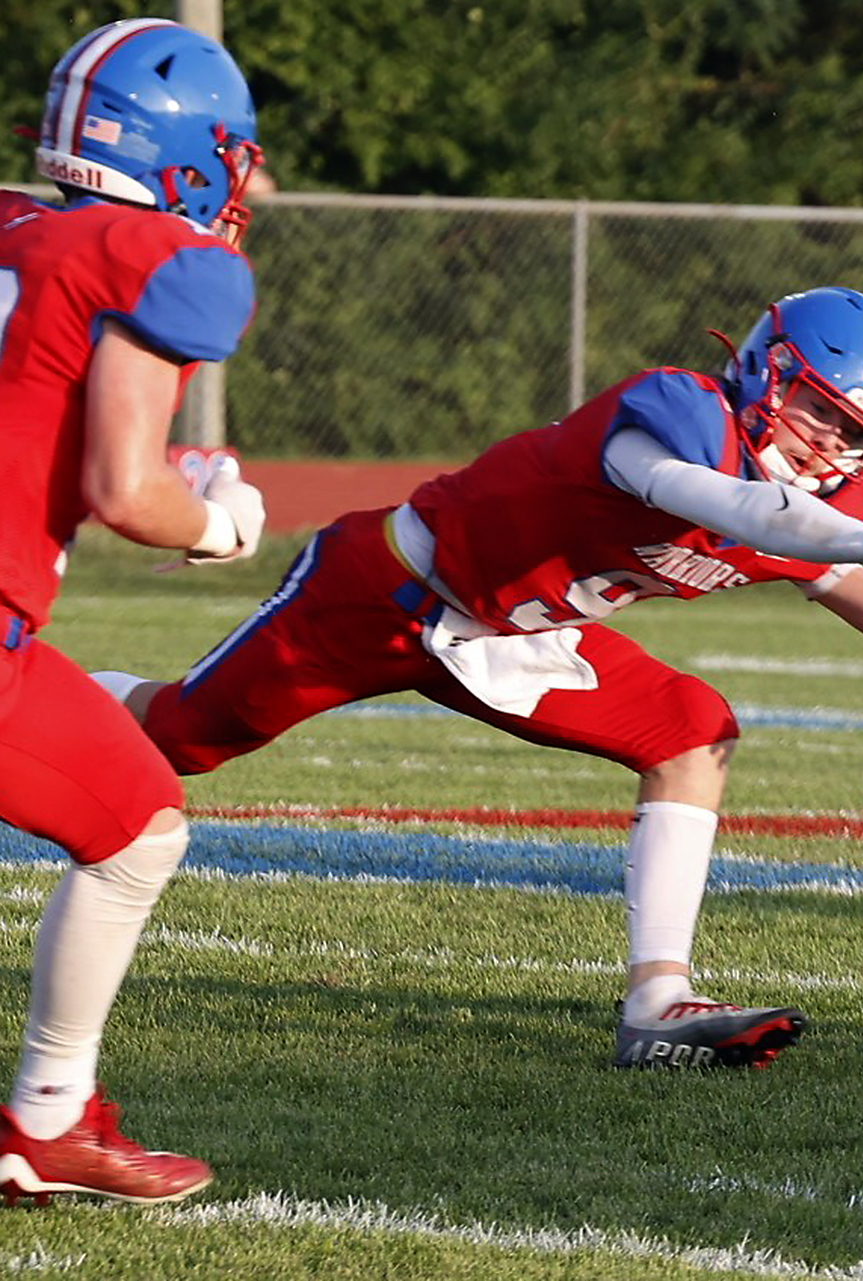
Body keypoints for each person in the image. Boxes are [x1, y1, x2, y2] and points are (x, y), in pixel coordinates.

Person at [97, 285, 863, 1073]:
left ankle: (656, 1003)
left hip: (523, 639)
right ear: (769, 369)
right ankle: (31, 690)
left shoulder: (802, 504)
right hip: (388, 590)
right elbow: (717, 505)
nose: (830, 448)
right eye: (819, 412)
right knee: (181, 736)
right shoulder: (674, 410)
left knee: (691, 727)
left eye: (856, 437)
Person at [0, 19, 269, 1206]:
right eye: (236, 157)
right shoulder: (168, 258)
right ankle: (46, 1117)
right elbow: (125, 488)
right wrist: (222, 523)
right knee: (138, 827)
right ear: (195, 155)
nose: (246, 181)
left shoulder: (16, 220)